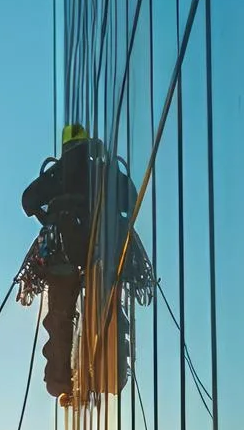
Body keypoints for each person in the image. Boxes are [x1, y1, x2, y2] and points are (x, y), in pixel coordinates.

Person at [19, 123, 150, 403]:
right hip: (102, 254)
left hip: (62, 257)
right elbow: (131, 198)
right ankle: (111, 373)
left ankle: (60, 382)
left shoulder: (57, 173)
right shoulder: (101, 170)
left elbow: (28, 201)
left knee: (59, 319)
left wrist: (47, 215)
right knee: (108, 309)